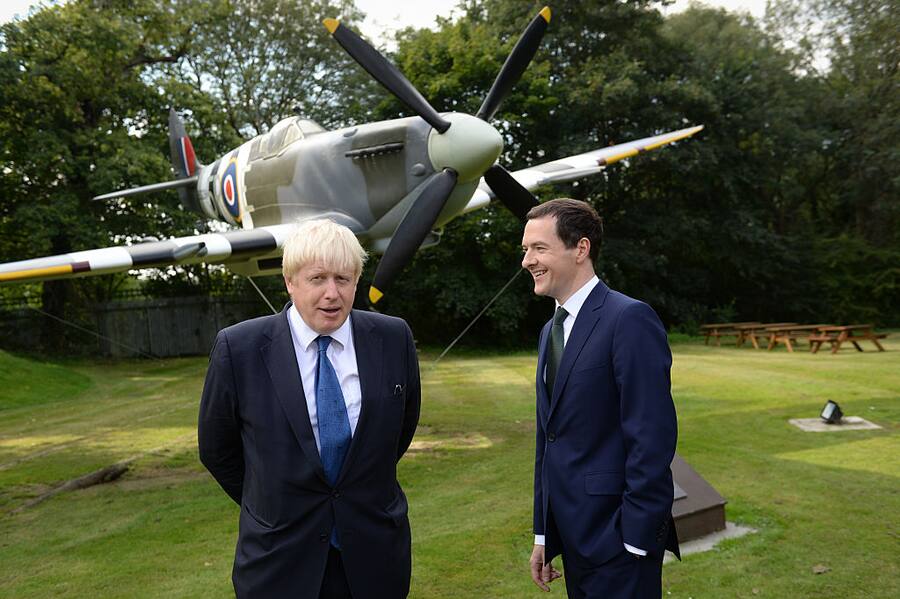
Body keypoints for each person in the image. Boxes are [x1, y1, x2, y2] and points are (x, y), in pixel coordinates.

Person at [198, 219, 420, 599]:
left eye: (343, 279)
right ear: (290, 281)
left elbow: (399, 431)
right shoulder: (240, 348)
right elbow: (218, 450)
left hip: (374, 559)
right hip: (279, 560)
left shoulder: (392, 337)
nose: (332, 294)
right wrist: (271, 502)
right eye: (318, 279)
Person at [521, 198, 679, 598]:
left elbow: (652, 438)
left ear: (581, 248)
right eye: (526, 250)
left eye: (539, 248)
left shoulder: (629, 319)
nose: (527, 261)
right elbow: (549, 440)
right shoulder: (549, 331)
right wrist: (544, 534)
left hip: (619, 545)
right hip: (573, 539)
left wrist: (633, 541)